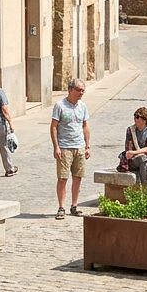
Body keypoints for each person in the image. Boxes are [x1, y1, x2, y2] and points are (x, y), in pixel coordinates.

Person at [50, 79, 91, 219]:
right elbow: (54, 127)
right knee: (62, 178)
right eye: (79, 90)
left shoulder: (83, 106)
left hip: (79, 146)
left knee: (78, 178)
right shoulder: (60, 105)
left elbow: (85, 126)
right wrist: (56, 146)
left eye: (83, 90)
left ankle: (74, 206)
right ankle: (61, 207)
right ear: (70, 90)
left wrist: (87, 146)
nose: (81, 93)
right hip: (65, 147)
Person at [120, 107, 147, 187]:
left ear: (144, 120)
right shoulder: (131, 130)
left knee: (144, 162)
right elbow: (129, 147)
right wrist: (130, 153)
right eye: (134, 116)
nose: (135, 119)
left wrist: (136, 152)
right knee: (142, 160)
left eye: (137, 117)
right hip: (134, 159)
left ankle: (145, 188)